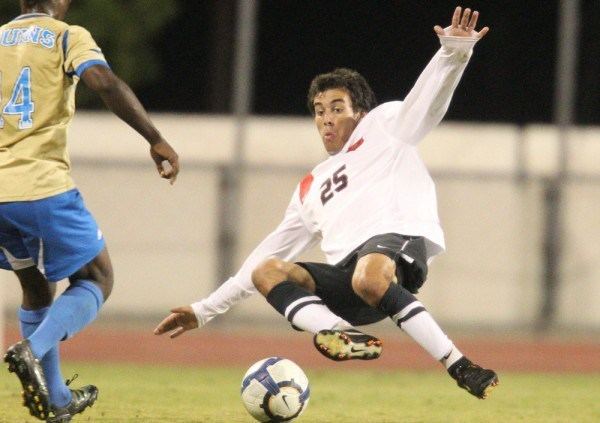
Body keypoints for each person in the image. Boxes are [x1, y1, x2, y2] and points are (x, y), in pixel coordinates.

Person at [155, 6, 498, 399]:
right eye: (319, 112)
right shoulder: (311, 185)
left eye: (337, 109)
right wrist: (205, 310)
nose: (326, 120)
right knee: (267, 272)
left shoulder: (384, 125)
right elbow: (264, 254)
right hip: (354, 282)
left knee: (369, 275)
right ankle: (338, 333)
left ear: (360, 112)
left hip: (397, 251)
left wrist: (453, 53)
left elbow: (429, 103)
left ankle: (459, 364)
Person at [1, 0, 179, 421]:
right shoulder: (67, 36)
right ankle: (32, 348)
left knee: (36, 287)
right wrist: (154, 137)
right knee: (98, 277)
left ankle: (57, 399)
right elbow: (103, 81)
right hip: (39, 184)